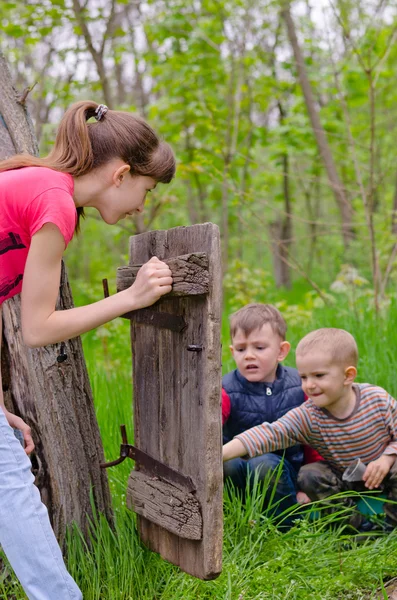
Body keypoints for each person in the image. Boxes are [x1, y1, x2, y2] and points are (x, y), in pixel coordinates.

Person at [0, 100, 175, 599]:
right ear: (121, 174)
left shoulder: (43, 188)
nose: (145, 204)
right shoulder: (54, 202)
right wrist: (131, 298)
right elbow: (36, 327)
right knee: (11, 487)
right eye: (147, 189)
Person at [223, 327, 397, 531]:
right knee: (309, 474)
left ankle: (391, 526)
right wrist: (218, 454)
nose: (309, 385)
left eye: (319, 375)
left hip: (386, 469)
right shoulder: (308, 415)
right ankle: (357, 529)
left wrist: (387, 459)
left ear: (348, 375)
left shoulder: (377, 400)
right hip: (346, 478)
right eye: (304, 377)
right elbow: (268, 433)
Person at [222, 303, 320, 525]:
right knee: (227, 464)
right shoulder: (225, 390)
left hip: (285, 475)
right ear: (232, 352)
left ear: (281, 351)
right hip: (239, 472)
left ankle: (285, 525)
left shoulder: (299, 387)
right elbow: (208, 428)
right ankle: (238, 518)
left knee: (264, 462)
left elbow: (314, 440)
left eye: (259, 348)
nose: (249, 356)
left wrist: (308, 486)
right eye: (240, 349)